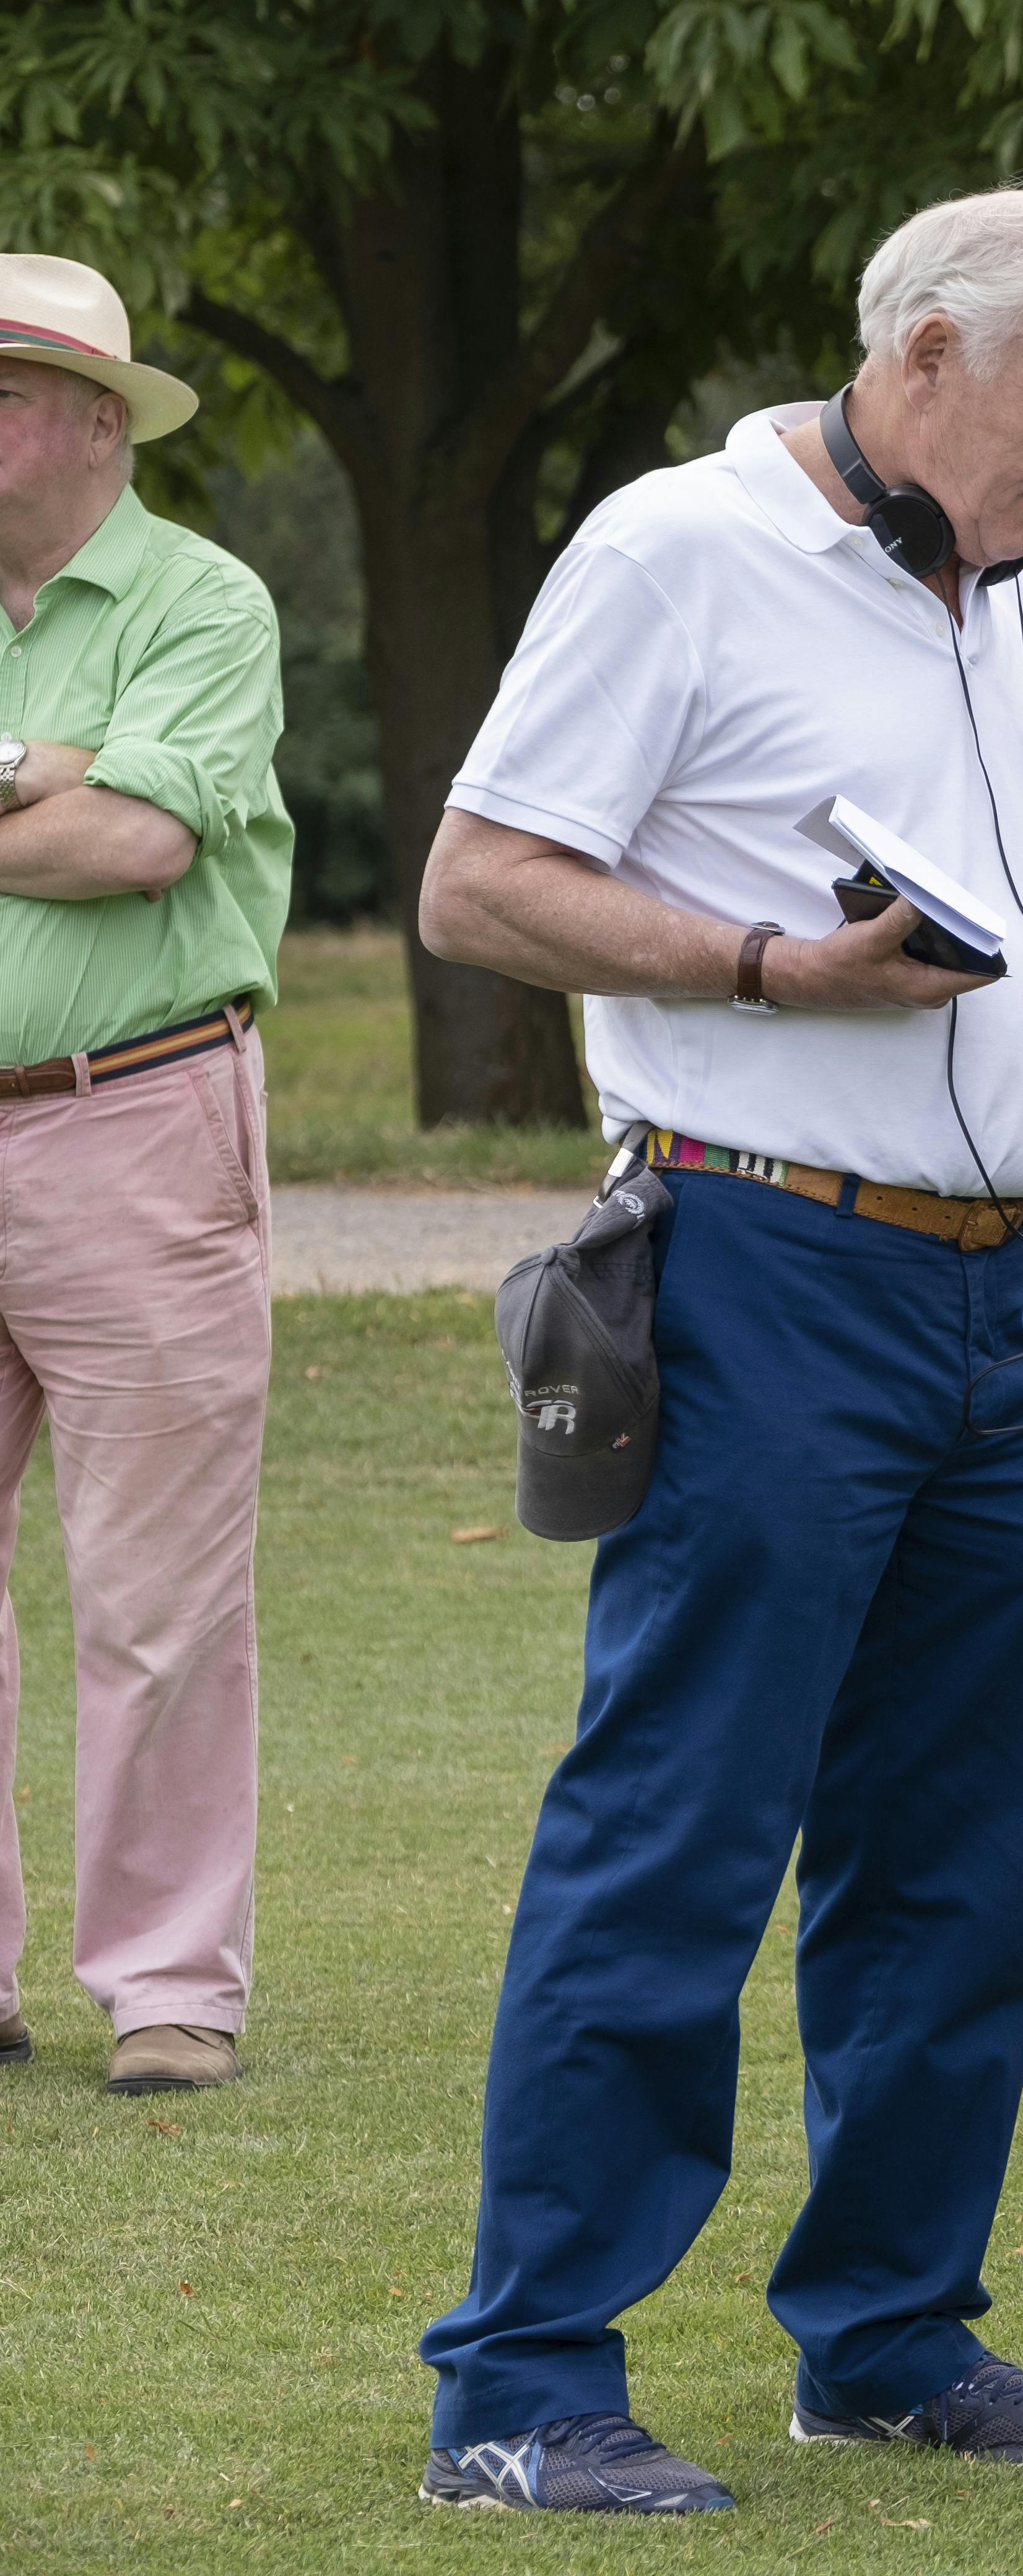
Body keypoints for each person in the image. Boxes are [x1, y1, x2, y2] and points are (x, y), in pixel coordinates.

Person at [402, 179, 1023, 2515]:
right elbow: (475, 883)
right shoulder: (675, 550)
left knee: (962, 1859)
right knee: (680, 1831)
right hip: (769, 1267)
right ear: (924, 355)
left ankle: (893, 2341)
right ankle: (522, 2382)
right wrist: (765, 970)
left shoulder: (994, 584)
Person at [0, 255, 290, 2099]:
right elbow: (79, 815)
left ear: (100, 422)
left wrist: (83, 792)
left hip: (137, 1116)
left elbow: (138, 844)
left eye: (2, 391)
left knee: (157, 1592)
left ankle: (168, 1985)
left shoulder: (205, 598)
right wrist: (41, 775)